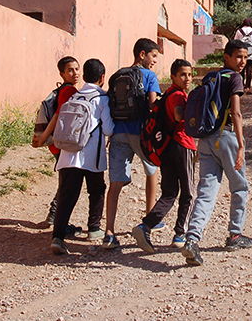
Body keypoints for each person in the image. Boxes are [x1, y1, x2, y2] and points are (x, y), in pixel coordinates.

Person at [181, 40, 252, 266]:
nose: (242, 62)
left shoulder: (211, 77)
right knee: (239, 186)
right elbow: (236, 112)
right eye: (238, 57)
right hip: (227, 137)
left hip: (205, 140)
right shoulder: (234, 78)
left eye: (245, 57)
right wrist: (241, 145)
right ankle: (234, 234)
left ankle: (192, 240)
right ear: (227, 57)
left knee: (206, 191)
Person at [50, 58, 115, 255]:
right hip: (90, 157)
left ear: (84, 76)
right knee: (96, 190)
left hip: (68, 155)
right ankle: (94, 228)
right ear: (103, 78)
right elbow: (109, 129)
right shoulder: (101, 99)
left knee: (67, 196)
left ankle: (58, 237)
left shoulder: (73, 96)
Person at [102, 38, 163, 250]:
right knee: (152, 170)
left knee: (115, 184)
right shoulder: (149, 76)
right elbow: (153, 104)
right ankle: (150, 218)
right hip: (141, 133)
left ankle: (109, 232)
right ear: (142, 54)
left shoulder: (117, 74)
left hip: (119, 133)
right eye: (153, 55)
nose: (155, 60)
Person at [132, 59, 196, 253]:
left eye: (190, 75)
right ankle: (179, 234)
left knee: (169, 193)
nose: (187, 78)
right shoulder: (178, 95)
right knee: (188, 193)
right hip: (182, 144)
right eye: (183, 75)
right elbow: (178, 116)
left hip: (166, 148)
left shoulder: (167, 93)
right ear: (173, 76)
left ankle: (145, 226)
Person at [32, 56, 83, 236]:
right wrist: (44, 138)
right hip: (60, 143)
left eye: (77, 69)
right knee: (68, 183)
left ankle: (55, 217)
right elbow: (58, 116)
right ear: (62, 74)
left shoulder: (65, 89)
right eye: (70, 70)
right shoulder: (68, 91)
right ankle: (57, 219)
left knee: (66, 181)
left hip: (56, 142)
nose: (75, 73)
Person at [233, 18, 252, 94]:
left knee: (241, 71)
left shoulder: (239, 31)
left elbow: (235, 42)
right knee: (249, 71)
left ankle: (241, 87)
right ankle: (248, 88)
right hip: (251, 54)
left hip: (241, 54)